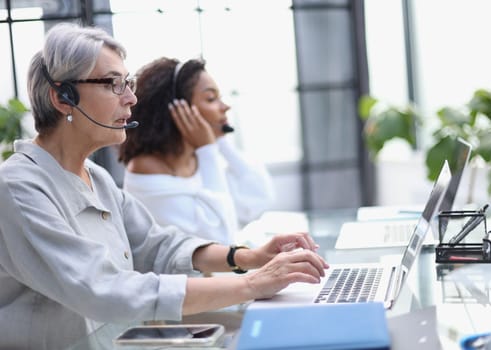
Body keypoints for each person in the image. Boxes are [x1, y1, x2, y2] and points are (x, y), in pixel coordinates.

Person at [0, 23, 327, 350]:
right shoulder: (17, 188)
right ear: (63, 97)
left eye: (128, 83)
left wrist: (249, 257)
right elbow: (101, 288)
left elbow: (159, 245)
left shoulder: (94, 177)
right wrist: (253, 284)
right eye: (114, 84)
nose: (131, 98)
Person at [118, 57, 275, 244]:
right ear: (178, 108)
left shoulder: (199, 158)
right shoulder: (146, 168)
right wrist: (207, 149)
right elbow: (221, 238)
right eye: (211, 98)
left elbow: (260, 200)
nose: (225, 107)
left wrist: (221, 142)